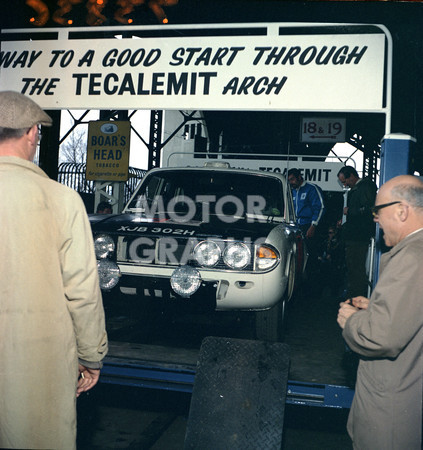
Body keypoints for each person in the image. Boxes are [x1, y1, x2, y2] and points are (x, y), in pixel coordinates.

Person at [0, 91, 108, 450]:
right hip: (36, 361)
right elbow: (81, 290)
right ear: (32, 133)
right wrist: (91, 356)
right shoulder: (61, 199)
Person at [337, 175, 423, 449]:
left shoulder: (411, 257)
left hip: (391, 416)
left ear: (402, 211)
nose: (374, 218)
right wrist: (375, 308)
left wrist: (352, 321)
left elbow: (380, 337)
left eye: (378, 211)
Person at [337, 166, 377, 298]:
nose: (345, 184)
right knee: (353, 266)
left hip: (359, 236)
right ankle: (354, 294)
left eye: (344, 181)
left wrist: (350, 211)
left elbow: (369, 209)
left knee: (356, 267)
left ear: (352, 176)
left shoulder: (365, 188)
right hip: (355, 234)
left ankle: (356, 296)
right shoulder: (360, 189)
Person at [287, 168, 325, 281]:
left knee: (309, 256)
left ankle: (312, 285)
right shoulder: (291, 190)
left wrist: (313, 226)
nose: (291, 182)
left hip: (308, 226)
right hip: (294, 226)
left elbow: (320, 207)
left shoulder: (311, 189)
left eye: (292, 179)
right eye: (289, 180)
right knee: (295, 255)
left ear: (299, 177)